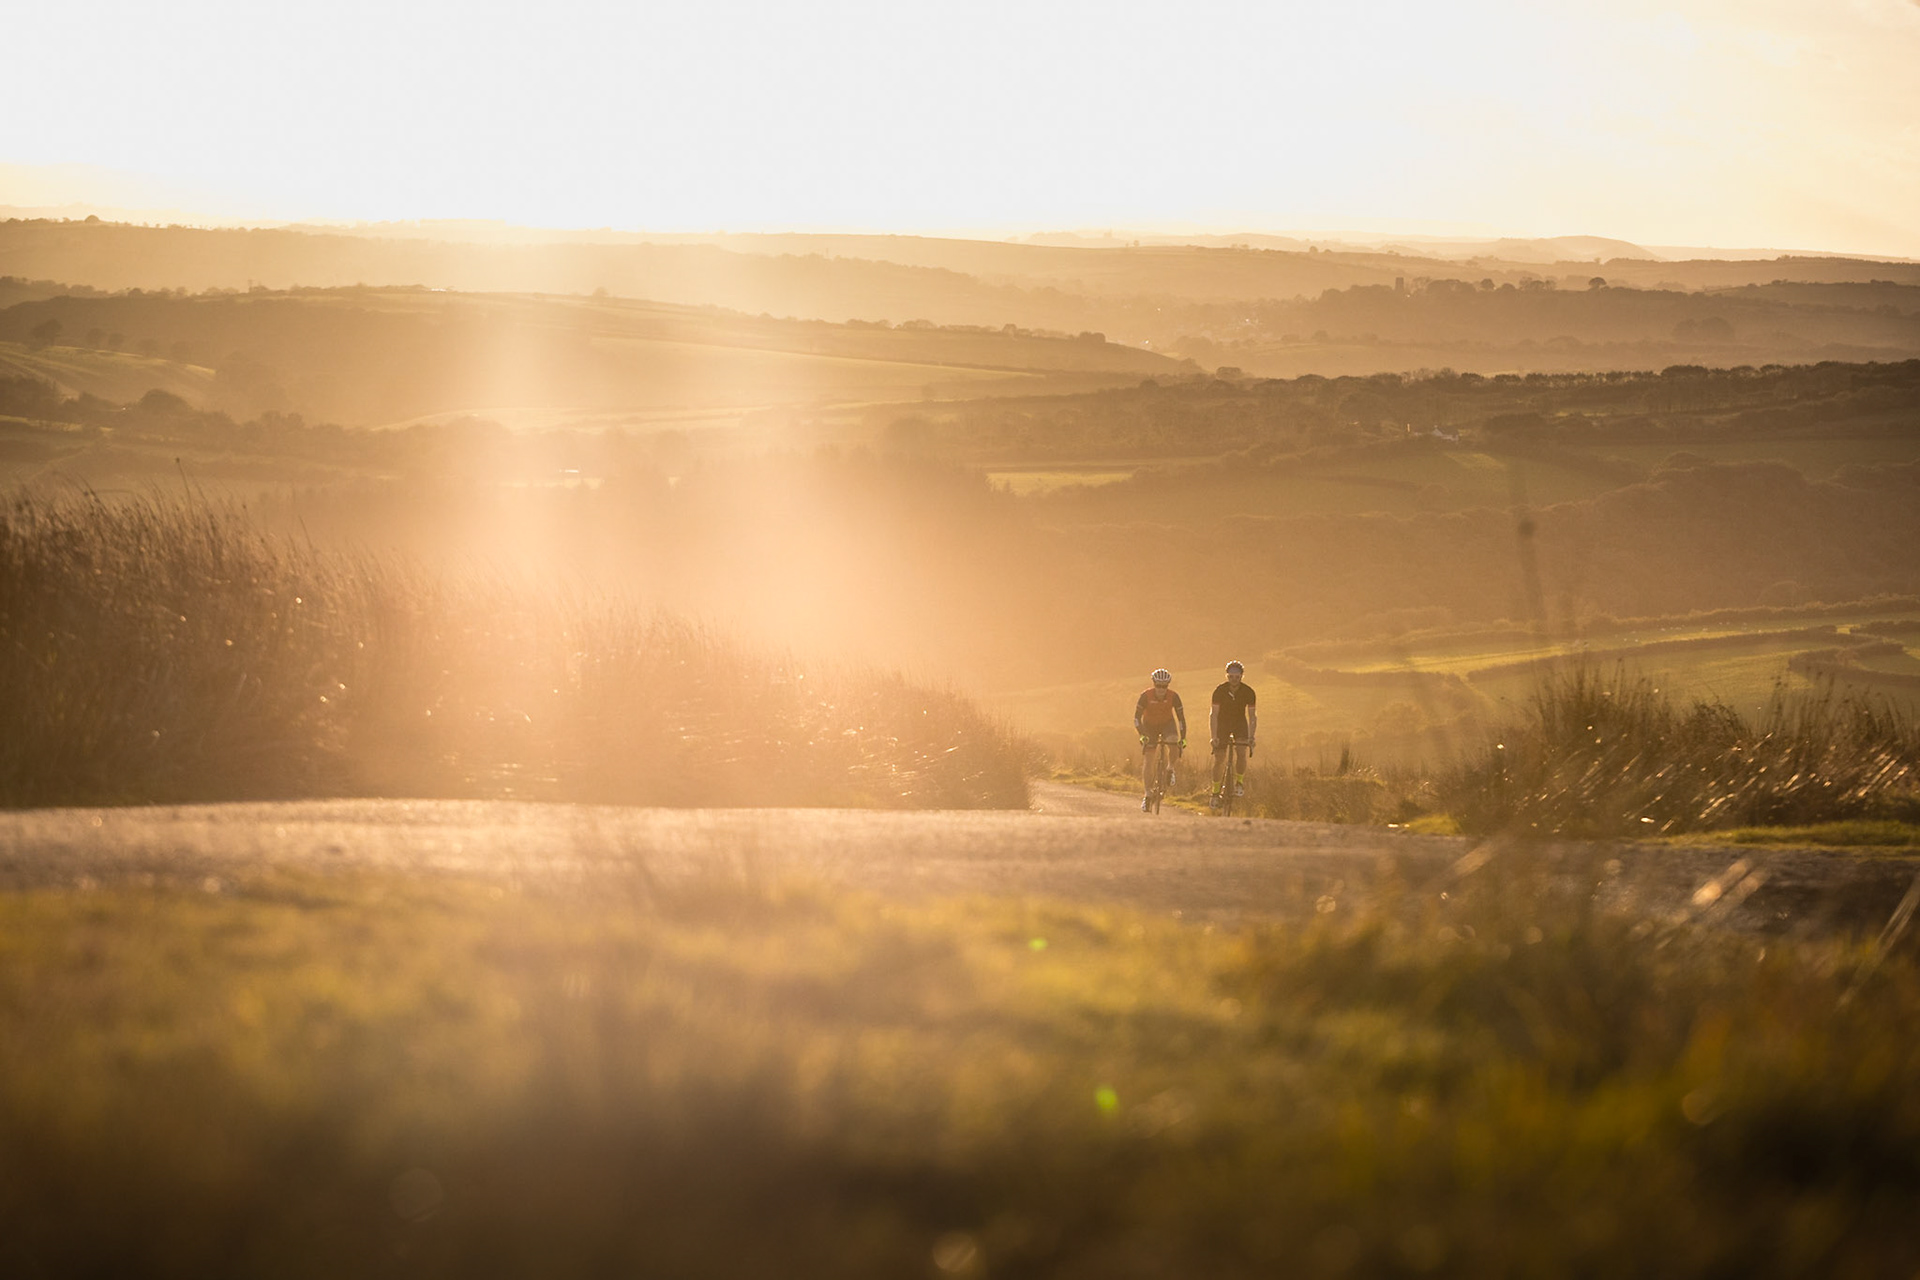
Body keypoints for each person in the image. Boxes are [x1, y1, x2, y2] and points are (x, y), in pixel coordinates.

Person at [1134, 668, 1187, 811]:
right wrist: (1142, 734)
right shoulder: (1145, 696)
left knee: (1173, 740)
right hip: (1149, 726)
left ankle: (1170, 768)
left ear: (1168, 686)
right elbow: (1137, 718)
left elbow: (1181, 719)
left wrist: (1183, 738)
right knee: (1149, 759)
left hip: (1167, 724)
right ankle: (1147, 794)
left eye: (1164, 686)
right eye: (1158, 686)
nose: (1161, 689)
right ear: (1154, 684)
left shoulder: (1174, 696)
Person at [1209, 660, 1257, 809]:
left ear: (1241, 676)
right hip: (1222, 724)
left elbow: (1252, 716)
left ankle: (1239, 782)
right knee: (1219, 758)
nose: (1234, 680)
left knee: (1241, 751)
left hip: (1239, 723)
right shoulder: (1219, 691)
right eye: (1231, 677)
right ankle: (1215, 792)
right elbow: (1213, 715)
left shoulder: (1248, 692)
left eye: (1237, 677)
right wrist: (1214, 736)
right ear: (1227, 676)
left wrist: (1251, 737)